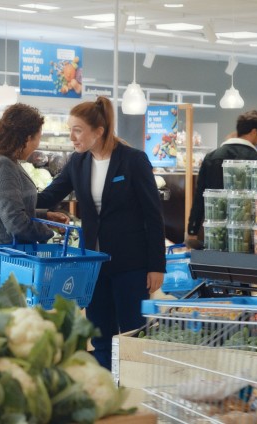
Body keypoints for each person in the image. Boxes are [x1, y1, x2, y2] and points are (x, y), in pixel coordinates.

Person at [36, 96, 166, 369]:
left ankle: (132, 389)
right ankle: (106, 386)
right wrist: (10, 196)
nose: (71, 136)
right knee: (99, 332)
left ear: (99, 131)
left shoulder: (133, 160)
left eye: (78, 129)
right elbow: (48, 196)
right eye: (70, 129)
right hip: (93, 265)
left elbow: (153, 215)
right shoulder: (78, 162)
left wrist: (157, 266)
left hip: (131, 264)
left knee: (132, 332)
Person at [0, 103, 69, 303]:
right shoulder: (1, 165)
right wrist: (50, 231)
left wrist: (44, 216)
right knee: (0, 331)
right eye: (38, 138)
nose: (37, 145)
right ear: (27, 137)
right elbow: (16, 224)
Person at [186, 110, 257, 247]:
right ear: (254, 132)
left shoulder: (211, 157)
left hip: (215, 232)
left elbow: (200, 196)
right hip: (247, 236)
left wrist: (192, 231)